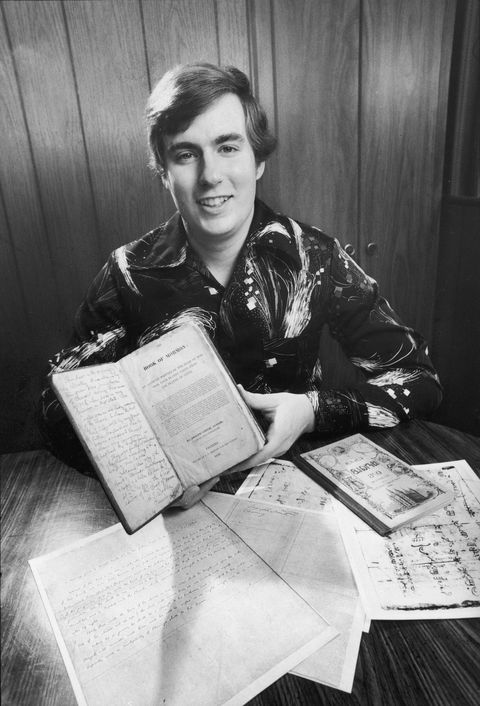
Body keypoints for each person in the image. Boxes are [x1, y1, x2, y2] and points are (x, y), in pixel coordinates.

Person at [39, 62, 442, 507]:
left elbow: (417, 378)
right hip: (174, 511)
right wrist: (148, 478)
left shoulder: (317, 256)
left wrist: (311, 412)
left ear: (259, 160)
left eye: (228, 147)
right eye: (186, 154)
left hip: (295, 491)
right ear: (163, 172)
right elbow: (59, 411)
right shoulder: (127, 272)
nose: (211, 175)